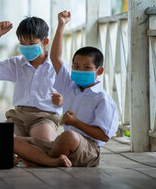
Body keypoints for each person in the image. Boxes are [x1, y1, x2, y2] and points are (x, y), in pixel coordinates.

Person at [13, 11, 119, 167]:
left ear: (99, 71)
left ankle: (39, 159)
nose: (80, 70)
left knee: (68, 136)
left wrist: (76, 123)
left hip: (88, 149)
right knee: (12, 140)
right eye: (76, 66)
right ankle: (50, 160)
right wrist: (61, 25)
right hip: (61, 143)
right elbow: (55, 57)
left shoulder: (103, 99)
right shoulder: (70, 86)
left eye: (87, 67)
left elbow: (104, 136)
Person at [0, 18, 63, 141]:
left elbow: (72, 92)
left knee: (46, 142)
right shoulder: (16, 63)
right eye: (22, 43)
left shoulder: (56, 65)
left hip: (44, 117)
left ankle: (27, 150)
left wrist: (62, 99)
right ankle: (25, 150)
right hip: (18, 117)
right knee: (0, 142)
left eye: (31, 44)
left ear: (45, 42)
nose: (26, 47)